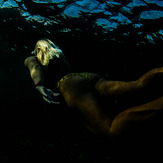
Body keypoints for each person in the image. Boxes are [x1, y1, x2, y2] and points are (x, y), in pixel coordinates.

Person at [24, 39, 163, 138]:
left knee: (109, 130)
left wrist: (39, 85)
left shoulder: (33, 58)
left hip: (68, 83)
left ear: (37, 50)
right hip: (87, 76)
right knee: (138, 84)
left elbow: (35, 68)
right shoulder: (59, 56)